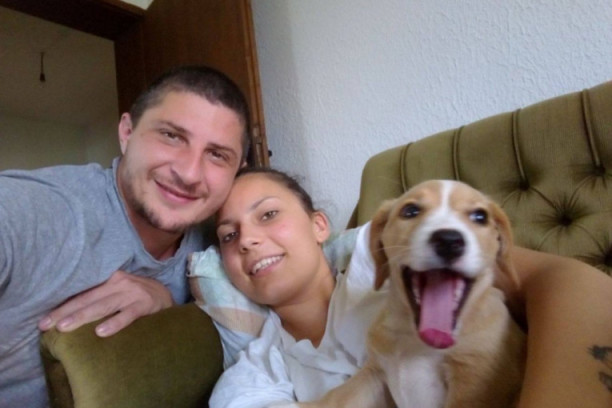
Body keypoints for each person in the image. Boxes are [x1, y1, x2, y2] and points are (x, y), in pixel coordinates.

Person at [209, 167, 612, 408]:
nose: (248, 240)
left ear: (319, 225)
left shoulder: (368, 255)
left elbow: (567, 281)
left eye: (269, 214)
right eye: (228, 235)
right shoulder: (257, 360)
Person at [0, 65, 250, 407]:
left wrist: (165, 300)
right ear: (127, 133)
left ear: (237, 172)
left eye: (217, 155)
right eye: (171, 136)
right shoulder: (38, 210)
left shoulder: (221, 242)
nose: (190, 174)